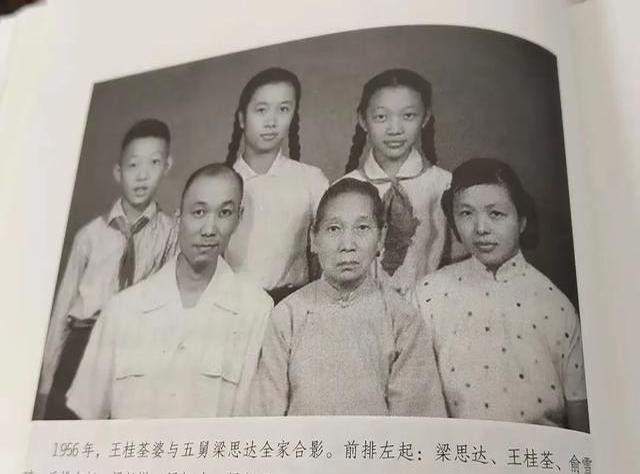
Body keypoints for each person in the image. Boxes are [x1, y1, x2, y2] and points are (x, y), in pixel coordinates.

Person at [66, 164, 273, 419]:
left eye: (224, 213)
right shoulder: (122, 310)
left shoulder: (256, 310)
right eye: (198, 212)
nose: (210, 229)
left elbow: (252, 425)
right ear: (178, 218)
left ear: (238, 219)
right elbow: (86, 418)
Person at [417, 158, 589, 431]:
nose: (481, 228)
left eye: (496, 214)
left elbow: (581, 419)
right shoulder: (429, 294)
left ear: (522, 221)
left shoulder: (556, 306)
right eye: (466, 213)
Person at [251, 178, 446, 416]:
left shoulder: (402, 319)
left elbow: (416, 422)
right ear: (313, 239)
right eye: (334, 229)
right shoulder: (288, 315)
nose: (347, 245)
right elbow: (264, 417)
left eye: (362, 228)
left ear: (381, 238)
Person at [35, 118, 177, 419]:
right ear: (118, 171)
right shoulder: (90, 236)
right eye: (133, 165)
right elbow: (62, 311)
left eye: (154, 163)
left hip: (133, 347)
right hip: (82, 344)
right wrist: (45, 384)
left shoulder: (170, 234)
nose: (142, 175)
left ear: (167, 166)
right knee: (66, 426)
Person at [343, 68, 458, 298]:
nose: (395, 130)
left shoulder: (445, 185)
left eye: (408, 116)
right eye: (381, 117)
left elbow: (461, 264)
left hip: (430, 308)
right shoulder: (344, 189)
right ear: (363, 120)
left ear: (425, 117)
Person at [224, 67, 329, 303]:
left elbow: (326, 254)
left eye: (283, 109)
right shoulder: (220, 184)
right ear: (242, 118)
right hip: (234, 308)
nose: (271, 122)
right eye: (261, 110)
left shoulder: (311, 180)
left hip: (295, 305)